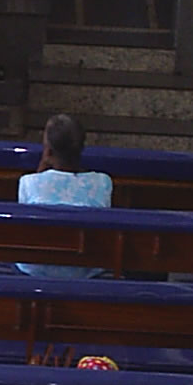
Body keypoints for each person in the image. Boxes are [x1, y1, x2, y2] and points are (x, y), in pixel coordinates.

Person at [15, 112, 114, 280]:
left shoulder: (29, 182)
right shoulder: (102, 182)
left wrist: (41, 167)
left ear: (48, 150)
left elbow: (24, 229)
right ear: (81, 147)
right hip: (86, 269)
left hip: (38, 268)